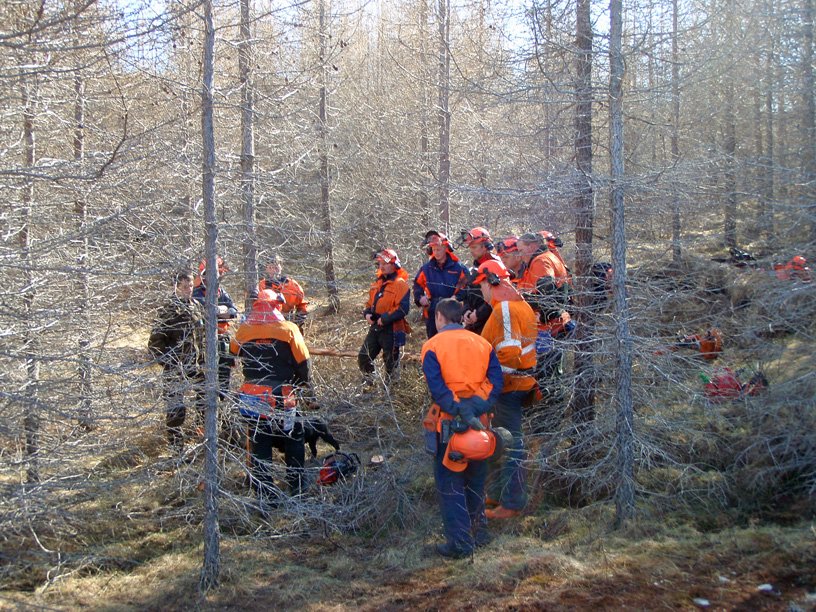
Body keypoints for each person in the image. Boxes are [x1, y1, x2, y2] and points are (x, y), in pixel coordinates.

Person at [420, 298, 504, 558]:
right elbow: (495, 381)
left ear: (439, 318)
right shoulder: (482, 343)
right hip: (480, 426)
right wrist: (476, 408)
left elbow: (439, 390)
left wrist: (461, 409)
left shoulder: (431, 346)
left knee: (450, 484)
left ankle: (460, 544)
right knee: (476, 481)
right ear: (460, 318)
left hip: (450, 426)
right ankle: (479, 534)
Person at [230, 289, 317, 501]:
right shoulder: (289, 329)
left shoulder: (243, 331)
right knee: (293, 437)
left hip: (251, 396)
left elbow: (230, 356)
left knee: (259, 442)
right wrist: (306, 391)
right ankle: (297, 488)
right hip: (283, 395)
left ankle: (265, 495)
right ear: (278, 306)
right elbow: (304, 365)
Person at [472, 259, 538, 520]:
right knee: (500, 439)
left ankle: (511, 504)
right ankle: (497, 494)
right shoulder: (515, 304)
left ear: (491, 283)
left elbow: (509, 354)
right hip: (513, 386)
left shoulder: (506, 310)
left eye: (482, 286)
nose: (482, 293)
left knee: (511, 445)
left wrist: (488, 379)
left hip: (510, 388)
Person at [148, 271, 206, 453]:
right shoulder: (168, 310)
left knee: (205, 402)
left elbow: (202, 337)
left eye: (190, 286)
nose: (188, 290)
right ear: (176, 287)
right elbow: (155, 343)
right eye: (184, 287)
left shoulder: (197, 306)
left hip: (197, 366)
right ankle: (175, 449)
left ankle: (203, 439)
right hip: (176, 368)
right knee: (175, 409)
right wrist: (169, 363)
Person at [358, 248, 411, 386]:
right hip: (376, 327)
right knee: (364, 356)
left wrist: (386, 318)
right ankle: (371, 383)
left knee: (391, 364)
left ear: (394, 264)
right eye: (380, 263)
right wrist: (367, 313)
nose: (382, 266)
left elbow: (403, 309)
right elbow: (369, 304)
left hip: (392, 328)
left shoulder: (401, 284)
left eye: (385, 263)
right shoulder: (377, 283)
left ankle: (392, 393)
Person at [193, 256, 239, 400]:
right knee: (204, 380)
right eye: (208, 274)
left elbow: (233, 312)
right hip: (204, 341)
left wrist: (221, 309)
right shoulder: (196, 292)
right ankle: (203, 416)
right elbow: (205, 314)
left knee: (224, 376)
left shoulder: (221, 291)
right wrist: (218, 312)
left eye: (216, 274)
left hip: (223, 338)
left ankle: (222, 406)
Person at [412, 231, 469, 338]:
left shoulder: (458, 268)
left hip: (453, 310)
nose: (436, 252)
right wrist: (420, 298)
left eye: (438, 249)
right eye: (434, 250)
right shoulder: (426, 268)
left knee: (453, 341)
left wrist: (456, 297)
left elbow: (466, 286)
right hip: (433, 309)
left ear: (445, 248)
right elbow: (417, 284)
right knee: (434, 341)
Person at [457, 227, 501, 334]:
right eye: (470, 247)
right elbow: (468, 295)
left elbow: (498, 298)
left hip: (492, 322)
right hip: (475, 323)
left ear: (485, 246)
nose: (471, 251)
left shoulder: (496, 267)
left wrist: (478, 314)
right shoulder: (475, 268)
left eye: (474, 247)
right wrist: (466, 311)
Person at [258, 254, 310, 333]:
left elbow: (302, 305)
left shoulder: (292, 285)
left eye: (276, 267)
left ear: (281, 267)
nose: (273, 270)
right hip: (267, 325)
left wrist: (298, 322)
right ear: (266, 269)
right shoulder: (261, 286)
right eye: (270, 267)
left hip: (288, 324)